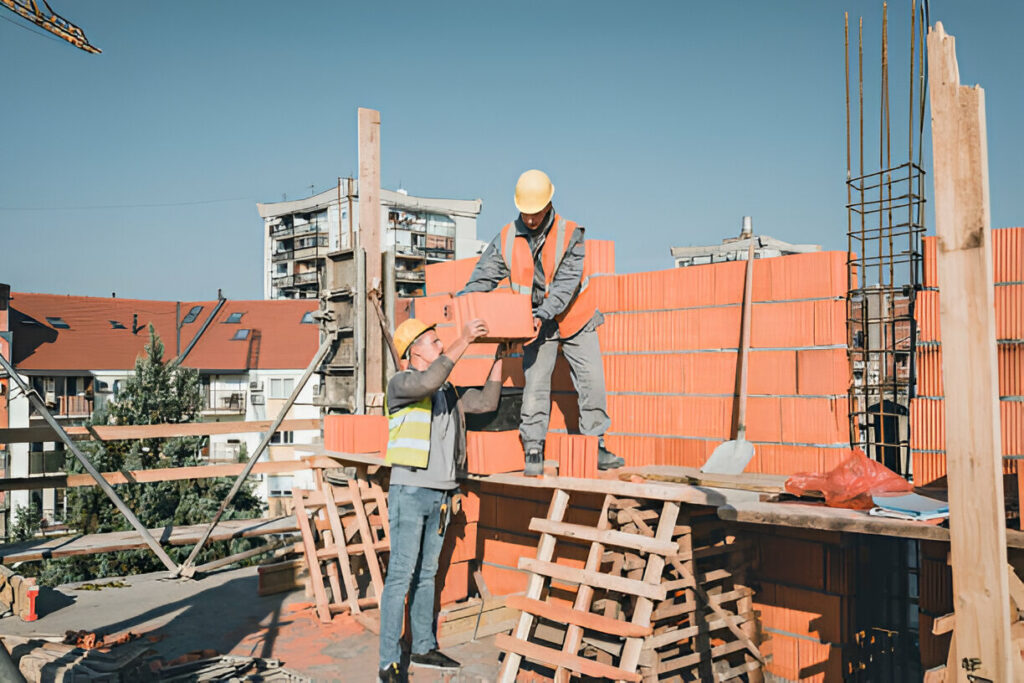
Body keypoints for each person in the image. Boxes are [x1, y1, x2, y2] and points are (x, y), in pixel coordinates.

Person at [457, 169, 624, 476]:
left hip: (576, 316)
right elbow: (484, 276)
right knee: (535, 384)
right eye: (526, 213)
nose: (531, 220)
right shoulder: (507, 237)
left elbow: (565, 285)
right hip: (534, 321)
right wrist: (464, 301)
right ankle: (533, 447)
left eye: (536, 213)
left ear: (549, 204)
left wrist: (543, 315)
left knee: (592, 382)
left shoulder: (571, 234)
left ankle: (596, 444)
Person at [378, 316, 504, 682]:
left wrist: (499, 356)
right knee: (400, 576)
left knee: (427, 574)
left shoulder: (448, 391)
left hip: (442, 495)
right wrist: (464, 338)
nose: (440, 345)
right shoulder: (401, 384)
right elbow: (428, 380)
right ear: (414, 350)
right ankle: (388, 662)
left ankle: (422, 647)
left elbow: (487, 402)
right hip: (410, 490)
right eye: (434, 341)